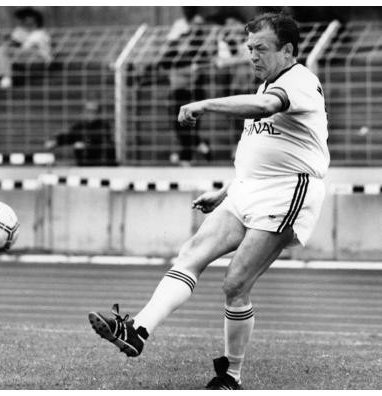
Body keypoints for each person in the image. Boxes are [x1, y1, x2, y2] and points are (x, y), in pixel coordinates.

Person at [88, 13, 329, 389]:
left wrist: (205, 104)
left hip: (287, 194)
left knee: (235, 283)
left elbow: (266, 110)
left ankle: (231, 376)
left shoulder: (299, 81)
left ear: (288, 50)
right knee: (191, 253)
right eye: (249, 48)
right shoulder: (267, 82)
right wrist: (227, 190)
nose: (251, 56)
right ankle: (136, 331)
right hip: (248, 190)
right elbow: (262, 151)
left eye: (260, 48)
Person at [157, 6, 211, 165]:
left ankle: (187, 156)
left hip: (190, 92)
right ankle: (199, 146)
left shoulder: (196, 51)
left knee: (186, 124)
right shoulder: (173, 53)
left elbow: (203, 64)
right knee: (178, 125)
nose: (183, 42)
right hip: (176, 91)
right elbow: (163, 62)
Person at [0, 7, 52, 97]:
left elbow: (31, 50)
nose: (25, 19)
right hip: (23, 59)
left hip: (39, 61)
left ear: (34, 18)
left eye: (27, 16)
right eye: (23, 17)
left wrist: (9, 50)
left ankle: (0, 75)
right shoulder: (21, 31)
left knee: (2, 50)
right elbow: (12, 43)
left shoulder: (41, 33)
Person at [44, 100, 117, 166]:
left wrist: (86, 143)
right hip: (85, 157)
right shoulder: (80, 125)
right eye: (89, 111)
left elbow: (101, 139)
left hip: (99, 156)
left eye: (94, 111)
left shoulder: (103, 125)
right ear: (85, 112)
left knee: (107, 147)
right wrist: (56, 141)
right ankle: (83, 167)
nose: (92, 114)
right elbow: (70, 136)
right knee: (78, 145)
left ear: (98, 113)